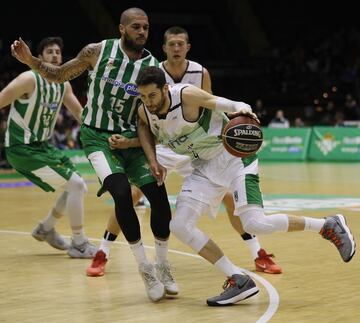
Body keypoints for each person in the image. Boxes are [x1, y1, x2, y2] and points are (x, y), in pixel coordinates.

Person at [135, 66, 356, 306]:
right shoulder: (146, 110)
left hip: (235, 158)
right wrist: (149, 156)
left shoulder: (185, 94)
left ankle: (327, 225)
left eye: (152, 96)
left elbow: (229, 104)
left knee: (255, 223)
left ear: (165, 88)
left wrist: (243, 110)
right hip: (204, 167)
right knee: (179, 225)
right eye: (143, 96)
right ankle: (238, 279)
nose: (148, 101)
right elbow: (145, 128)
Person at [11, 8, 177, 302]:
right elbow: (60, 74)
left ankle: (163, 265)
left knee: (160, 200)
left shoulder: (152, 66)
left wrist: (152, 158)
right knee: (122, 194)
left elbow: (144, 118)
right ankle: (145, 269)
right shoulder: (98, 52)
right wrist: (31, 61)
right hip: (96, 137)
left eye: (146, 27)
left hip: (131, 139)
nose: (142, 32)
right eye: (136, 27)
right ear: (122, 29)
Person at [98, 26, 281, 278]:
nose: (175, 48)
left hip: (195, 146)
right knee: (131, 193)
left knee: (230, 197)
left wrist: (237, 120)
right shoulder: (153, 74)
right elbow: (145, 123)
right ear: (164, 48)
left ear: (187, 47)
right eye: (171, 44)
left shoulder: (199, 72)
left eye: (180, 44)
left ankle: (257, 252)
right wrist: (131, 144)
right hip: (167, 144)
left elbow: (211, 106)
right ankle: (102, 252)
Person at [0, 37, 97, 258]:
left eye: (58, 52)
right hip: (22, 149)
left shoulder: (63, 84)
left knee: (77, 186)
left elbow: (80, 114)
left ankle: (46, 228)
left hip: (44, 146)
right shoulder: (28, 79)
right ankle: (79, 243)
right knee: (75, 185)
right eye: (49, 52)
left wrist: (100, 132)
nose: (55, 55)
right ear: (40, 57)